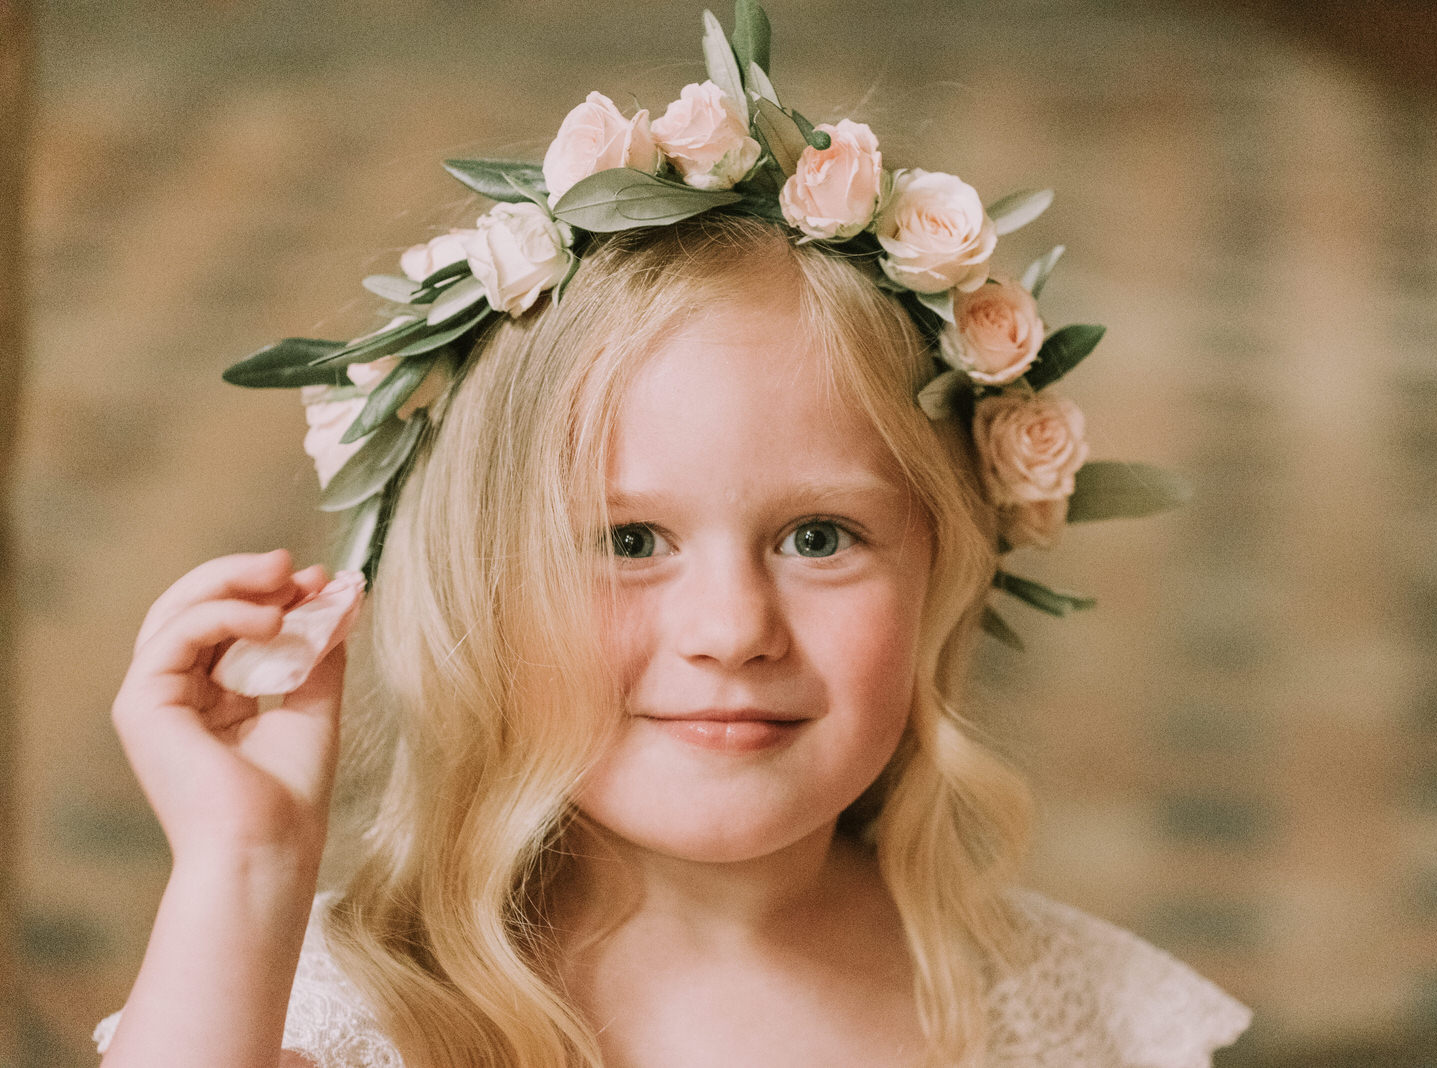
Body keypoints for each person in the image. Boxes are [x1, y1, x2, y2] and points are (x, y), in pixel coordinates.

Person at [93, 6, 1251, 1066]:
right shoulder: (334, 1017)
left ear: (942, 562)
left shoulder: (1071, 1011)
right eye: (631, 541)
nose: (732, 630)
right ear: (478, 586)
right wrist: (244, 867)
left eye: (818, 536)